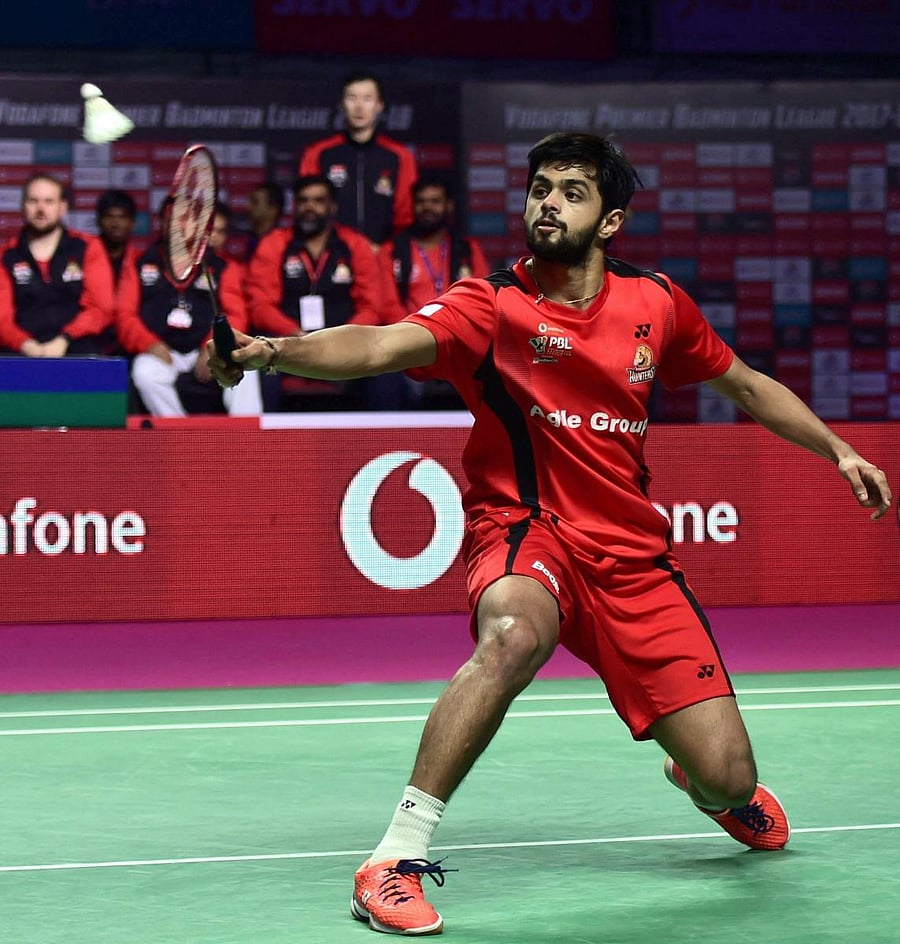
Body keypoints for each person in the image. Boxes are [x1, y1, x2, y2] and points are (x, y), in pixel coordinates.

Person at [208, 132, 895, 936]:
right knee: (510, 636)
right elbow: (380, 343)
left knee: (730, 779)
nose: (548, 202)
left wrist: (838, 448)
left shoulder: (658, 304)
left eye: (571, 191)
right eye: (540, 187)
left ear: (610, 221)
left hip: (635, 561)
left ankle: (699, 774)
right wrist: (271, 351)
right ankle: (391, 860)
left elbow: (742, 383)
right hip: (526, 528)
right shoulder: (488, 305)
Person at [244, 174, 384, 410]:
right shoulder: (274, 243)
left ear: (332, 206)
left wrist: (345, 336)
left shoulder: (355, 245)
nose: (310, 207)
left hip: (346, 342)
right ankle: (267, 444)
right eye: (303, 201)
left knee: (386, 371)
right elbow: (261, 306)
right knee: (258, 367)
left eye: (318, 201)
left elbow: (372, 306)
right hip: (288, 343)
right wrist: (295, 334)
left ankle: (385, 442)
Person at [117, 196, 251, 416]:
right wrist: (151, 345)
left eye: (186, 219)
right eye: (172, 219)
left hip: (207, 348)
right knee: (144, 372)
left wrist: (213, 344)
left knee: (247, 368)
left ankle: (249, 441)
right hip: (162, 351)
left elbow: (235, 314)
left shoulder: (220, 266)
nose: (179, 225)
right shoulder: (139, 264)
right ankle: (179, 435)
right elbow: (125, 315)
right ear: (161, 223)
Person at [380, 172, 492, 407]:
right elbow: (389, 306)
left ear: (448, 206)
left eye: (435, 201)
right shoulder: (393, 250)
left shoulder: (467, 249)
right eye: (421, 202)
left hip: (460, 346)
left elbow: (485, 301)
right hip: (409, 347)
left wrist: (453, 340)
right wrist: (416, 342)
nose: (427, 208)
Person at [298, 72, 418, 247]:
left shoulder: (399, 156)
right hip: (331, 255)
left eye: (367, 99)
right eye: (352, 98)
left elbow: (406, 215)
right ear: (342, 104)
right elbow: (309, 209)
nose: (359, 107)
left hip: (383, 256)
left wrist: (386, 251)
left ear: (379, 106)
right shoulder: (318, 153)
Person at [0, 173, 110, 356]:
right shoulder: (6, 255)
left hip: (76, 347)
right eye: (33, 201)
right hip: (20, 351)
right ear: (22, 207)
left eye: (49, 201)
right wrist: (25, 345)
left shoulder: (87, 247)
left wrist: (64, 339)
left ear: (62, 207)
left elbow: (100, 308)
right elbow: (2, 318)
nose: (41, 209)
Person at [93, 189, 140, 355]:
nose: (115, 223)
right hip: (93, 336)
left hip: (127, 337)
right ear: (98, 221)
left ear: (133, 222)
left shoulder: (141, 261)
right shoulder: (84, 258)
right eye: (109, 217)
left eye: (122, 217)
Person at [245, 182, 285, 259]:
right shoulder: (251, 241)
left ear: (273, 209)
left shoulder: (281, 245)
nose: (248, 207)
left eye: (255, 202)